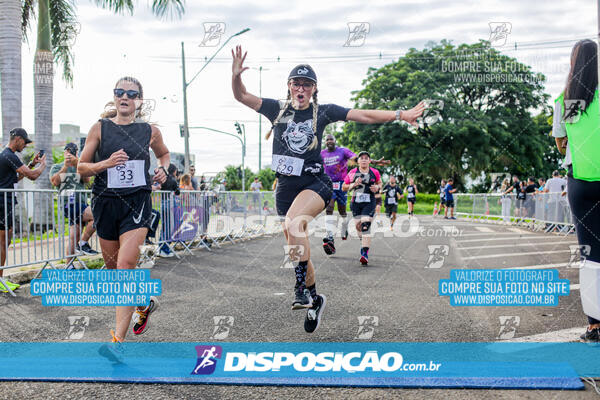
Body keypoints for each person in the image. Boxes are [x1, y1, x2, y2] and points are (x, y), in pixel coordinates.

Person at [231, 45, 424, 332]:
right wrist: (236, 76)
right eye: (297, 83)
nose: (301, 88)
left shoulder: (323, 112)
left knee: (294, 225)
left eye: (306, 84)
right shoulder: (276, 109)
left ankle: (298, 289)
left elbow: (364, 116)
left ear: (313, 89)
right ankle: (314, 295)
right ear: (289, 86)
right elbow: (241, 95)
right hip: (285, 187)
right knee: (295, 237)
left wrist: (400, 114)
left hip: (314, 183)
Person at [77, 76, 170, 354]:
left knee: (126, 266)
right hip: (105, 203)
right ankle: (142, 303)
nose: (125, 97)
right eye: (120, 92)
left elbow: (164, 155)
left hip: (137, 202)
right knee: (115, 273)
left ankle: (117, 342)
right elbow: (82, 167)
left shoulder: (149, 131)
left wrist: (164, 169)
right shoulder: (100, 128)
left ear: (139, 100)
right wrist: (106, 163)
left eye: (131, 93)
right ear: (115, 97)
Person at [553, 39, 600, 342]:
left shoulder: (567, 101)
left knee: (590, 255)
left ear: (572, 65)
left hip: (580, 183)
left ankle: (595, 325)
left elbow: (561, 142)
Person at [0, 128, 46, 292]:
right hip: (2, 203)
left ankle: (1, 278)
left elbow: (18, 176)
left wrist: (32, 164)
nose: (25, 146)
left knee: (6, 241)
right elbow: (32, 176)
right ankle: (0, 280)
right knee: (3, 242)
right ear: (17, 139)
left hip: (6, 202)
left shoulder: (8, 156)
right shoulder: (9, 155)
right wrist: (42, 166)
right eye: (25, 142)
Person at [49, 142, 98, 264]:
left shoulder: (79, 167)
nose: (70, 154)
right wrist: (65, 166)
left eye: (73, 151)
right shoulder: (57, 167)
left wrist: (77, 164)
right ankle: (83, 243)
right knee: (98, 214)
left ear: (77, 153)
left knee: (73, 236)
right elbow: (55, 182)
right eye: (68, 151)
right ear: (64, 152)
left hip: (80, 202)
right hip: (68, 203)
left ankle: (69, 265)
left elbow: (86, 180)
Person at [342, 152, 382, 265]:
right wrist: (353, 184)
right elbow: (344, 187)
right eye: (361, 158)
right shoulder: (352, 172)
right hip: (356, 203)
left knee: (365, 226)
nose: (364, 160)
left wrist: (377, 187)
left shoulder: (375, 172)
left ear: (369, 161)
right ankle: (364, 243)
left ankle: (364, 254)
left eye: (366, 158)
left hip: (369, 202)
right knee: (359, 228)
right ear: (358, 161)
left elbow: (380, 183)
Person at [320, 134, 356, 254]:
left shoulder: (342, 151)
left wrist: (365, 161)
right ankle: (329, 235)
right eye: (327, 140)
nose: (329, 141)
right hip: (328, 184)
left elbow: (355, 157)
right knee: (329, 208)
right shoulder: (322, 153)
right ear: (325, 142)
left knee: (342, 211)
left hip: (342, 184)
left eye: (331, 139)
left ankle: (344, 225)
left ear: (335, 141)